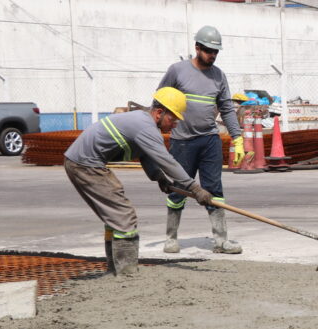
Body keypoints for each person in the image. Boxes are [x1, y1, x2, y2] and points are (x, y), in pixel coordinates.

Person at [64, 87, 213, 276]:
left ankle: (115, 270)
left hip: (81, 162)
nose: (175, 124)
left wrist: (159, 177)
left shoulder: (141, 122)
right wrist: (195, 188)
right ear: (159, 113)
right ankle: (127, 273)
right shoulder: (146, 127)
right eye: (173, 118)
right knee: (124, 217)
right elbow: (168, 161)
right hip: (86, 165)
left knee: (115, 217)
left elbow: (145, 155)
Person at [159, 25, 244, 255]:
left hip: (209, 140)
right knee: (178, 188)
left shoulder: (219, 76)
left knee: (214, 188)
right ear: (197, 48)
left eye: (216, 51)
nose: (212, 55)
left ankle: (220, 240)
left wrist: (237, 138)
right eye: (208, 50)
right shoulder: (177, 71)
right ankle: (171, 237)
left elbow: (226, 108)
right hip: (182, 141)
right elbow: (161, 101)